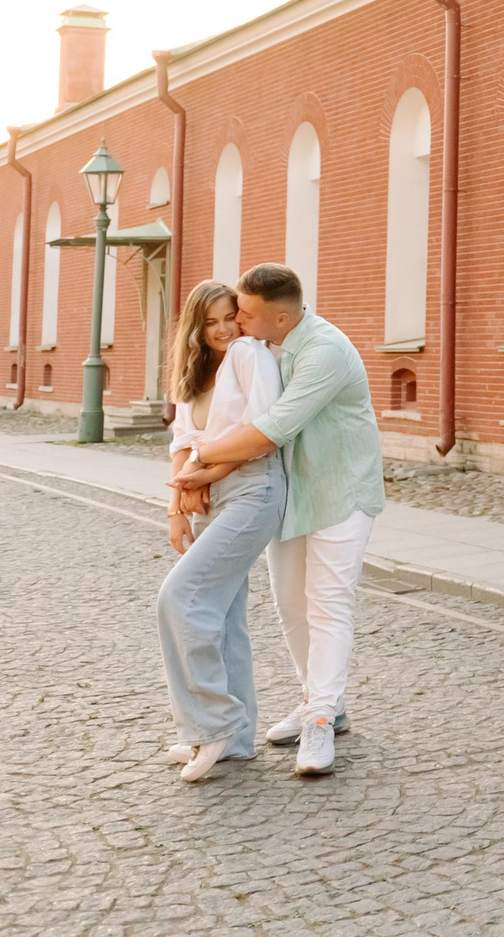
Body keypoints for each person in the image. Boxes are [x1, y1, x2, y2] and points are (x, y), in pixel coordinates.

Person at [188, 261, 384, 779]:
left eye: (245, 314)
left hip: (340, 492)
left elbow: (272, 428)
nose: (237, 322)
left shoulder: (325, 350)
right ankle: (322, 702)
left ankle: (320, 720)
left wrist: (200, 456)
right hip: (293, 493)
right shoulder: (265, 346)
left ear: (280, 317)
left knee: (328, 604)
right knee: (291, 606)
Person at [155, 279, 288, 784]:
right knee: (226, 617)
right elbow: (183, 440)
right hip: (207, 497)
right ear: (196, 328)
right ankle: (236, 740)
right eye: (210, 322)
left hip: (253, 490)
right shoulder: (194, 371)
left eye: (230, 317)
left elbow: (262, 432)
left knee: (181, 597)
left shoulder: (251, 355)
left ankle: (211, 725)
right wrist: (176, 506)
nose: (224, 329)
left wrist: (204, 473)